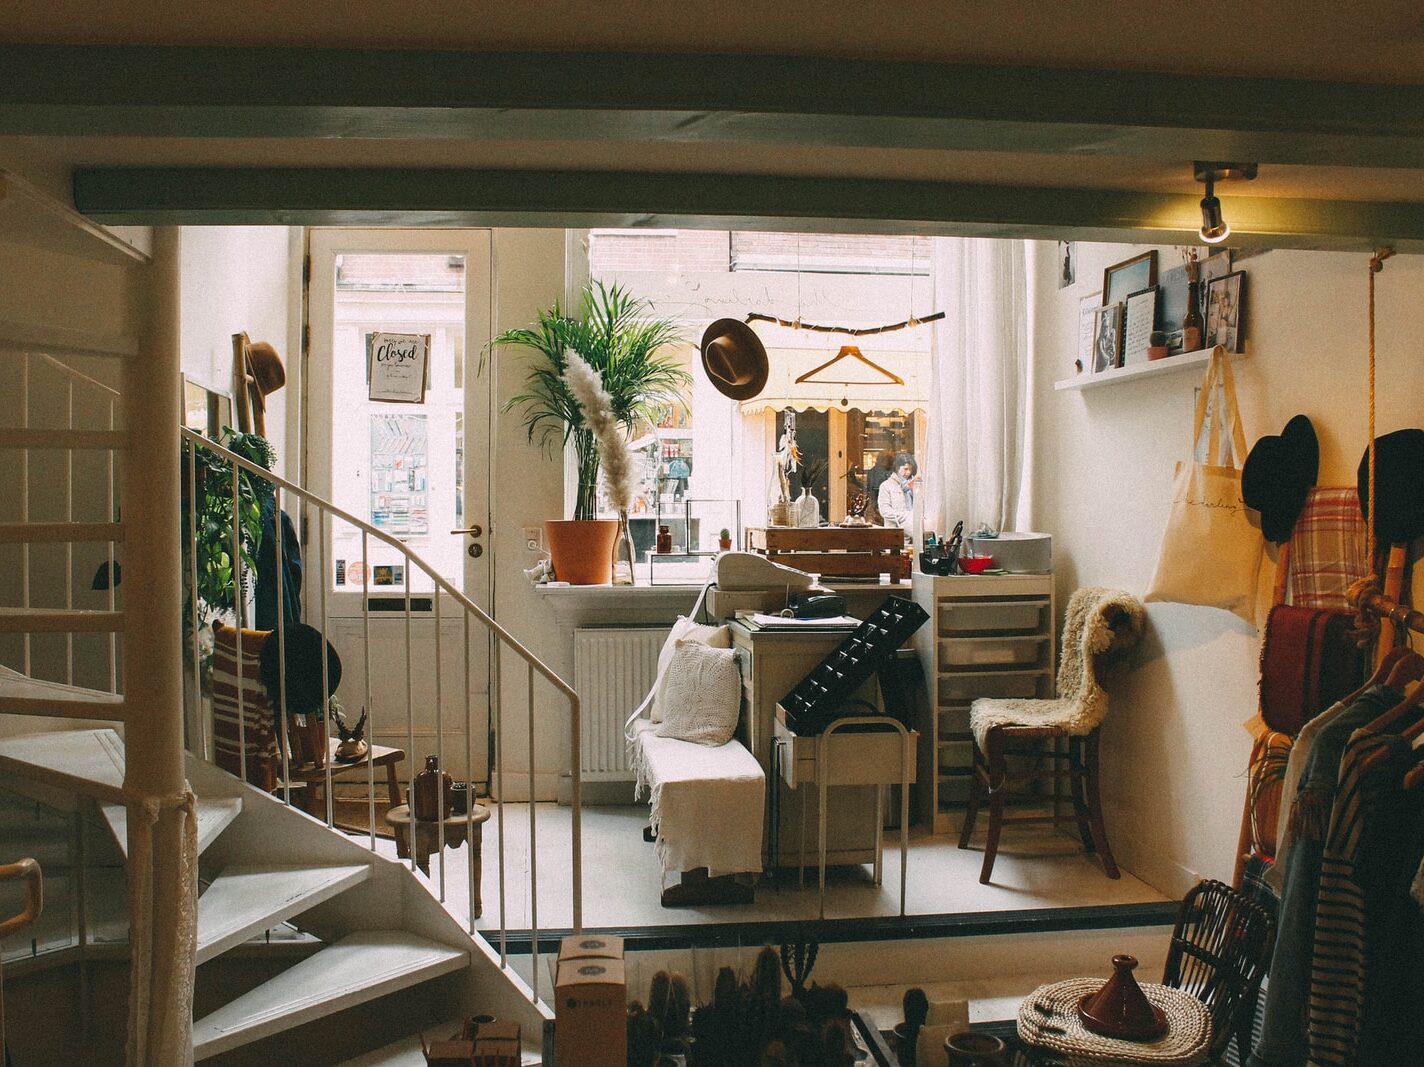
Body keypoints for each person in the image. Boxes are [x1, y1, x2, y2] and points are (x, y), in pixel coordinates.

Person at [878, 452, 920, 529]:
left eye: (910, 469)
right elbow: (885, 511)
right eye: (905, 469)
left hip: (914, 532)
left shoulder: (912, 485)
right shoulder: (886, 486)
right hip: (896, 533)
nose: (908, 472)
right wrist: (908, 516)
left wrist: (916, 491)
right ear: (897, 468)